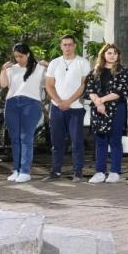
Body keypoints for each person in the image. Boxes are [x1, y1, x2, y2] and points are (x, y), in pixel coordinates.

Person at [43, 35, 91, 182]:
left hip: (75, 107)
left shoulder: (82, 63)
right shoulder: (54, 63)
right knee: (56, 142)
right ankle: (56, 171)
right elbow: (49, 85)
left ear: (75, 45)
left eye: (70, 44)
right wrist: (58, 101)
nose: (67, 47)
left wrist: (69, 101)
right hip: (57, 108)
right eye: (65, 45)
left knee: (76, 142)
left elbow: (84, 85)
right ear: (61, 46)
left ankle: (77, 172)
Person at [0, 43, 46, 183]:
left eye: (21, 56)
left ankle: (25, 171)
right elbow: (3, 85)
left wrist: (49, 65)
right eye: (16, 56)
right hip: (12, 103)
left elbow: (52, 81)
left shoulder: (39, 68)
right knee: (14, 139)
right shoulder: (11, 69)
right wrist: (2, 70)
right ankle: (16, 170)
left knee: (26, 138)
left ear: (28, 54)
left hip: (31, 104)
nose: (18, 59)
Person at [86, 43, 128, 184]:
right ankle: (99, 172)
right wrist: (98, 103)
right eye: (109, 53)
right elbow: (89, 90)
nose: (112, 55)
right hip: (98, 110)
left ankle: (115, 172)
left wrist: (101, 101)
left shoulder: (122, 71)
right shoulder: (95, 71)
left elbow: (120, 91)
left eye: (115, 53)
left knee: (115, 140)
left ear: (118, 56)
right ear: (103, 55)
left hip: (116, 108)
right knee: (100, 141)